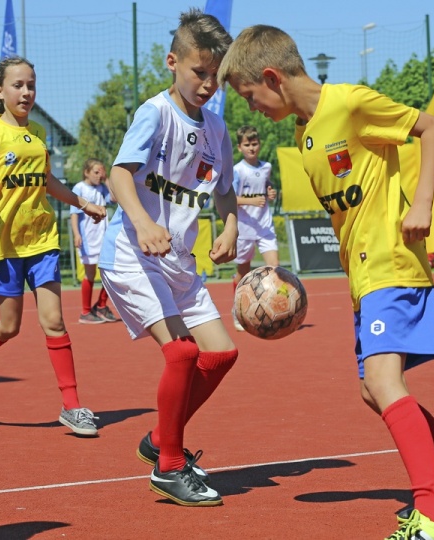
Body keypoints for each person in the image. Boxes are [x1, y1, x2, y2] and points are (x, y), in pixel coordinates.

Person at [220, 24, 434, 540]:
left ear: (272, 77)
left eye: (249, 95)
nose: (250, 108)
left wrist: (422, 203)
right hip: (363, 276)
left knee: (384, 383)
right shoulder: (304, 136)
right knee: (374, 390)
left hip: (391, 263)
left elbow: (431, 127)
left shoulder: (349, 103)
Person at [98, 9, 238, 507]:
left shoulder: (218, 129)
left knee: (221, 353)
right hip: (132, 252)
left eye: (215, 75)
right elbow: (119, 176)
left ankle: (161, 438)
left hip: (179, 260)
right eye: (199, 72)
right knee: (181, 353)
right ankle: (170, 467)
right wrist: (143, 221)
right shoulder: (154, 113)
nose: (207, 84)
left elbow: (224, 191)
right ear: (172, 63)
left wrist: (230, 226)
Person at [0, 56, 107, 437]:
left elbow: (47, 183)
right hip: (4, 246)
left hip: (41, 240)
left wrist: (83, 203)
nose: (26, 92)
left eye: (31, 85)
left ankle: (72, 406)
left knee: (54, 321)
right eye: (18, 85)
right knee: (9, 328)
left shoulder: (38, 133)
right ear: (0, 90)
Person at [231, 125, 279, 331]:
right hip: (245, 228)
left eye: (255, 144)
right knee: (244, 274)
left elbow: (267, 185)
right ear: (240, 147)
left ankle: (273, 312)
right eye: (247, 145)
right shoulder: (237, 170)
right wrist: (250, 201)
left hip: (264, 226)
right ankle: (237, 309)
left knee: (275, 271)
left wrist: (270, 193)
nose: (252, 148)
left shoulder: (266, 166)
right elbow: (231, 199)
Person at [70, 158, 118, 324]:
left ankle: (102, 305)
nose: (99, 175)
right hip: (88, 239)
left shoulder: (102, 188)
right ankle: (85, 312)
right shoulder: (79, 188)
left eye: (101, 172)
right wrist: (77, 234)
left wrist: (107, 179)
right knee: (90, 274)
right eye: (96, 172)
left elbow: (115, 197)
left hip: (103, 237)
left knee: (111, 272)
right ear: (86, 172)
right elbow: (74, 213)